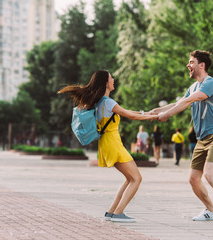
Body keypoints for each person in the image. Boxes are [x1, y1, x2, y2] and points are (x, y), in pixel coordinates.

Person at [148, 50, 213, 224]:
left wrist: (167, 114)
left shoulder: (210, 83)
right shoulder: (193, 87)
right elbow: (179, 102)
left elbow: (187, 102)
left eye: (191, 62)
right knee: (193, 179)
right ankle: (210, 211)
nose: (188, 65)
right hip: (202, 138)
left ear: (201, 65)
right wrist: (156, 111)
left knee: (209, 174)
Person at [58, 70, 157, 223]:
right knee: (136, 178)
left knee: (130, 178)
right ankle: (118, 213)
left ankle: (112, 212)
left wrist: (146, 113)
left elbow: (126, 111)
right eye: (111, 77)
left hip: (107, 144)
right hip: (113, 144)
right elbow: (130, 116)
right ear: (106, 83)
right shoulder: (108, 102)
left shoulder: (100, 103)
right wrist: (153, 117)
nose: (113, 79)